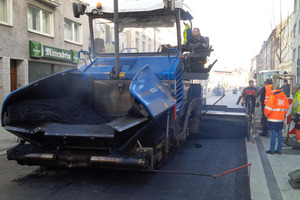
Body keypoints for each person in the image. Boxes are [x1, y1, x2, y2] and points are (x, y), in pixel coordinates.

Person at [264, 84, 289, 154]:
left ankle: (272, 150)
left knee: (273, 133)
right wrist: (282, 114)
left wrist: (265, 114)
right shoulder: (284, 96)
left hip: (272, 118)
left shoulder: (273, 96)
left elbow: (268, 108)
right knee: (280, 133)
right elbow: (287, 107)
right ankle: (279, 150)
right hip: (280, 118)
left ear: (272, 89)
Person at [291, 84, 300, 149]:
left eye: (294, 88)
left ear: (296, 89)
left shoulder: (298, 95)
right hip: (298, 114)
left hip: (299, 114)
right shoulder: (297, 95)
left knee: (298, 129)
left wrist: (293, 115)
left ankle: (299, 143)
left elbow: (296, 106)